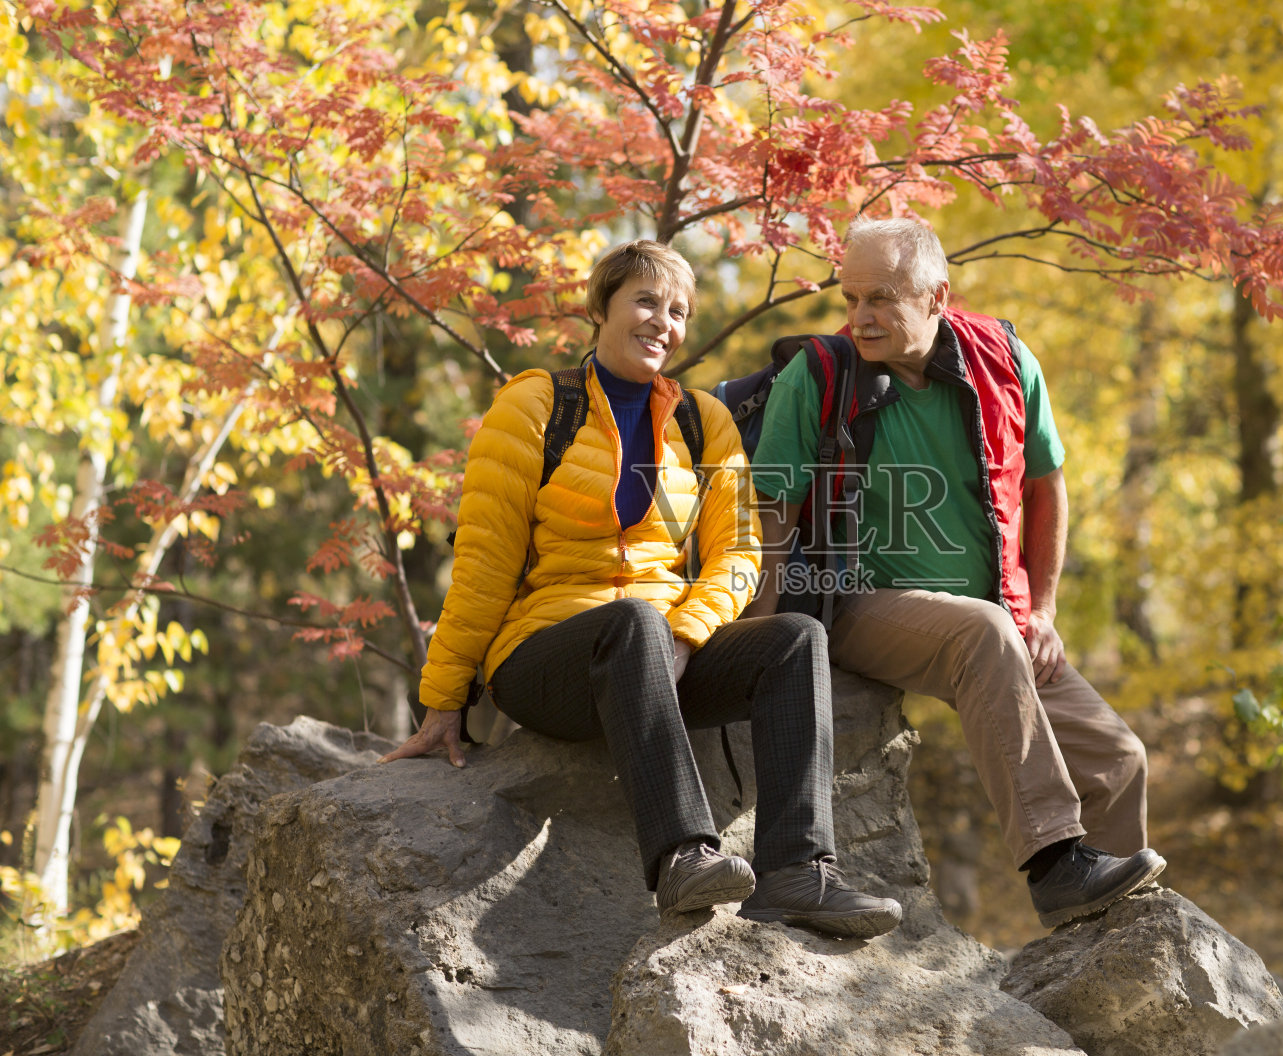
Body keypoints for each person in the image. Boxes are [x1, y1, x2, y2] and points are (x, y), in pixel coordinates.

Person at [380, 240, 901, 940]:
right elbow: (483, 561)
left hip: (659, 653)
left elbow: (742, 552)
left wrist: (689, 631)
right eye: (647, 301)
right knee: (632, 620)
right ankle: (684, 854)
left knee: (795, 638)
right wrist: (443, 698)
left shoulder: (703, 421)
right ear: (602, 307)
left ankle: (796, 873)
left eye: (679, 310)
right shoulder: (536, 405)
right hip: (547, 660)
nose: (664, 321)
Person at [746, 219, 1166, 927]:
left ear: (938, 295)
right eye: (851, 298)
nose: (860, 317)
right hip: (852, 602)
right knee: (984, 631)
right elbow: (771, 507)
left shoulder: (1004, 357)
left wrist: (1047, 609)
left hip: (995, 609)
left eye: (881, 297)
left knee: (1119, 758)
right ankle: (1057, 862)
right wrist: (767, 634)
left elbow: (1046, 486)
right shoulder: (816, 373)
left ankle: (1108, 951)